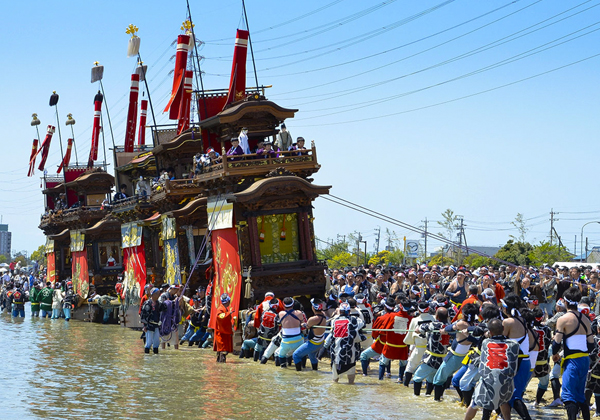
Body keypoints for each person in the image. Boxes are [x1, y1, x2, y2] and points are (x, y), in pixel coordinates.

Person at [552, 286, 594, 420]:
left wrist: (554, 354)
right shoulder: (586, 319)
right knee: (580, 395)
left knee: (568, 395)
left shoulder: (563, 319)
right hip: (585, 359)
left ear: (565, 302)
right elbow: (591, 343)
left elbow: (556, 342)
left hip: (572, 360)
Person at [465, 318, 520, 420]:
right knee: (503, 401)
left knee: (474, 403)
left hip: (488, 384)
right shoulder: (514, 344)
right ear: (503, 328)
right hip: (506, 386)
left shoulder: (486, 342)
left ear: (489, 332)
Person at [412, 307, 450, 396]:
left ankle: (416, 396)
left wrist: (418, 330)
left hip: (431, 359)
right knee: (431, 378)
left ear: (436, 316)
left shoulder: (434, 325)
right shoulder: (449, 326)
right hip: (443, 358)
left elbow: (418, 329)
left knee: (417, 377)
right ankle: (428, 394)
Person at [325, 301, 364, 384]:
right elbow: (362, 324)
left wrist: (324, 347)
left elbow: (331, 334)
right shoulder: (354, 320)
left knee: (335, 381)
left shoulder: (334, 320)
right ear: (349, 311)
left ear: (340, 311)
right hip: (349, 353)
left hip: (335, 353)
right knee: (351, 380)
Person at [404, 301, 435, 386]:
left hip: (419, 347)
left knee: (410, 367)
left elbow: (410, 336)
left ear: (418, 309)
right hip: (431, 348)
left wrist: (410, 345)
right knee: (430, 369)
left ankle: (405, 386)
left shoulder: (415, 320)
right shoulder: (433, 318)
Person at [292, 298, 327, 371]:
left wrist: (302, 324)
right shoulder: (323, 314)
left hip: (313, 344)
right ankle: (315, 371)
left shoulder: (313, 319)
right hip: (320, 342)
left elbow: (306, 326)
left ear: (313, 307)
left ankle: (298, 374)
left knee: (295, 355)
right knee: (312, 356)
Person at [277, 297, 306, 368]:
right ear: (293, 304)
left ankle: (283, 369)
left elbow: (279, 324)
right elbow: (302, 325)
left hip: (286, 342)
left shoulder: (281, 313)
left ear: (283, 305)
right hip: (298, 341)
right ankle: (303, 367)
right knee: (302, 354)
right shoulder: (299, 313)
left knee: (281, 355)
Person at [141, 287, 166, 354]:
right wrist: (145, 326)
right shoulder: (147, 303)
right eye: (157, 294)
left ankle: (156, 356)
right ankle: (147, 357)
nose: (159, 295)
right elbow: (143, 315)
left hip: (156, 325)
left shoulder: (158, 303)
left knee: (156, 342)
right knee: (149, 342)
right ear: (153, 294)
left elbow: (164, 308)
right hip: (149, 325)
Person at [255, 298, 281, 362]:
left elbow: (261, 320)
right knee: (275, 351)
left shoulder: (264, 312)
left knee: (257, 349)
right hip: (271, 338)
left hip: (261, 336)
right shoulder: (277, 316)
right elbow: (279, 325)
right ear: (277, 306)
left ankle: (255, 361)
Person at [214, 293, 234, 363]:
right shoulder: (221, 309)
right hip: (221, 333)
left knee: (222, 350)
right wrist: (229, 314)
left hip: (224, 332)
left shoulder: (224, 308)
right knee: (222, 350)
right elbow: (219, 317)